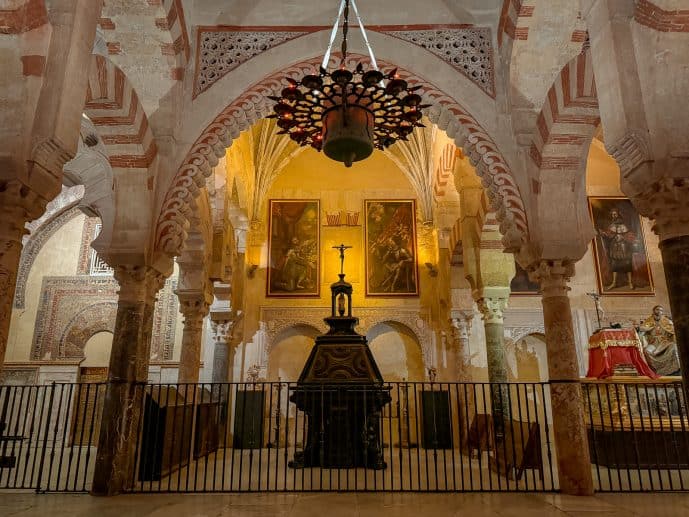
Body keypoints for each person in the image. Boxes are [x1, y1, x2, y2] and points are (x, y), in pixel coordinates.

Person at [598, 207, 638, 290]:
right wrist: (604, 234)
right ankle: (614, 283)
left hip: (624, 247)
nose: (613, 216)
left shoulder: (623, 225)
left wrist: (624, 237)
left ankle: (630, 282)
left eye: (615, 214)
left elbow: (628, 235)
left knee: (627, 265)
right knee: (615, 265)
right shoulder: (611, 225)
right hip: (615, 247)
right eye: (612, 214)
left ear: (618, 214)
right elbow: (609, 235)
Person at [638, 305, 680, 376]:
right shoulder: (649, 321)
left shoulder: (667, 321)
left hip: (665, 342)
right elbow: (642, 329)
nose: (659, 311)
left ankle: (673, 371)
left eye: (661, 310)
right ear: (653, 311)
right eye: (657, 310)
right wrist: (640, 330)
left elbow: (673, 331)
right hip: (653, 343)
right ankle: (654, 371)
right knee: (646, 351)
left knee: (673, 347)